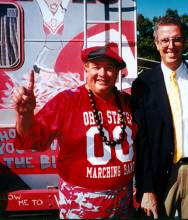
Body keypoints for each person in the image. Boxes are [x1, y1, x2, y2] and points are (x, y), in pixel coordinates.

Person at [13, 42, 136, 219]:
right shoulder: (67, 101)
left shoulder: (128, 102)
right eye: (96, 67)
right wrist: (24, 115)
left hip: (123, 200)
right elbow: (33, 141)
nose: (102, 73)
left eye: (109, 68)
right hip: (81, 202)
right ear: (86, 68)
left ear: (118, 72)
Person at [131, 14, 188, 219]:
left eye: (176, 39)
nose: (171, 45)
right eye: (164, 40)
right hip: (159, 177)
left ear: (184, 42)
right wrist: (146, 188)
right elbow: (141, 141)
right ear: (156, 43)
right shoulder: (143, 84)